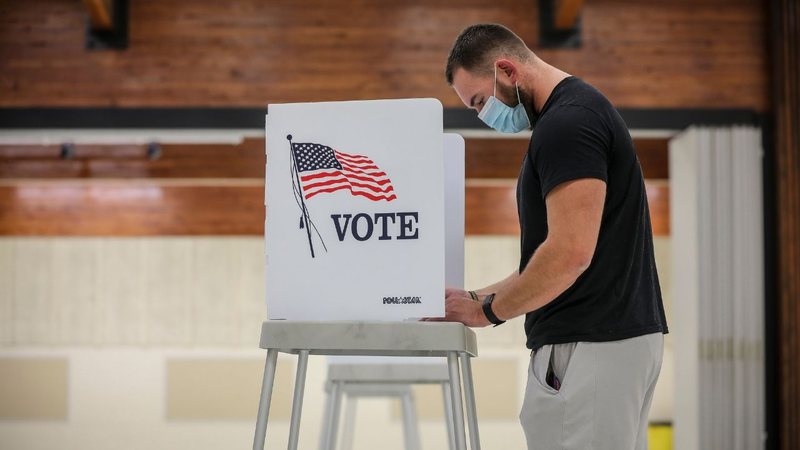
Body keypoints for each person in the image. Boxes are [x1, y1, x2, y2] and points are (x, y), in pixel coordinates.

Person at [439, 24, 668, 449]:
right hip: (609, 343)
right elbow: (547, 259)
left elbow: (568, 255)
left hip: (591, 345)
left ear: (507, 70)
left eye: (479, 102)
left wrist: (488, 314)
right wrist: (475, 297)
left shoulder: (568, 124)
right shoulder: (576, 114)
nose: (482, 116)